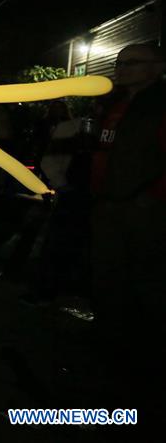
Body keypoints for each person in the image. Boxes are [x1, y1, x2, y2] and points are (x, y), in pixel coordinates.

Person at [89, 43, 165, 427]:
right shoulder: (116, 103)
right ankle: (112, 361)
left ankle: (141, 376)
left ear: (155, 68)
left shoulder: (158, 105)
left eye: (131, 63)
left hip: (142, 211)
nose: (121, 69)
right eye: (119, 63)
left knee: (144, 287)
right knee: (109, 283)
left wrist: (148, 200)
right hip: (109, 205)